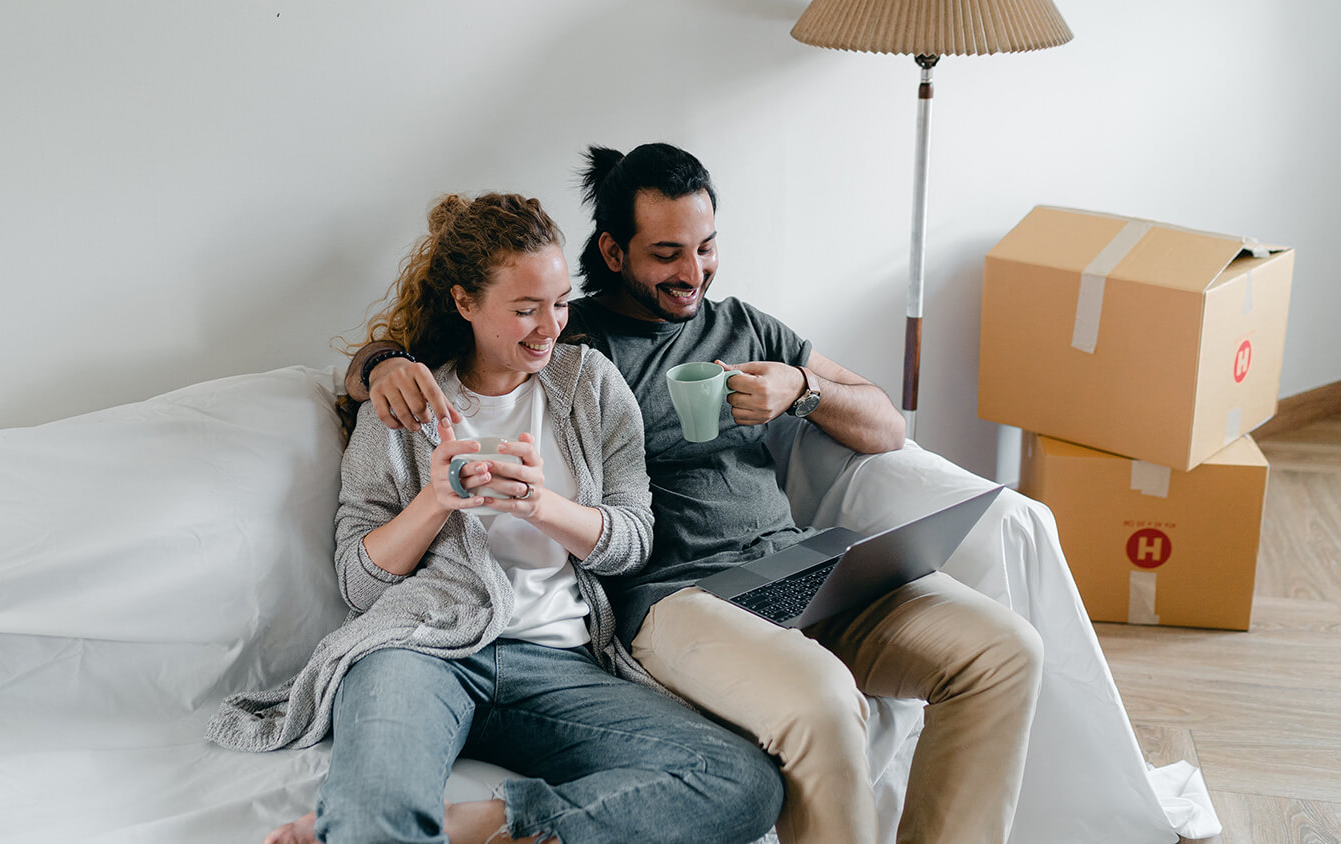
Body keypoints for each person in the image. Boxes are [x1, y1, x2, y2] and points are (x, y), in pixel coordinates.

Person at [347, 145, 1045, 844]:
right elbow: (433, 352)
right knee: (822, 701)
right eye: (666, 254)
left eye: (706, 248)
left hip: (796, 566)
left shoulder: (745, 326)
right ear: (615, 253)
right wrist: (382, 365)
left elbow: (886, 424)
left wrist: (803, 391)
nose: (692, 273)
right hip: (679, 597)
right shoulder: (575, 344)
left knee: (1005, 650)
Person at [207, 191, 783, 844]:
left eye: (560, 303)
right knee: (372, 822)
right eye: (526, 309)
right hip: (420, 652)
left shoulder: (591, 385)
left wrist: (542, 505)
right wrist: (435, 503)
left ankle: (478, 826)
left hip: (560, 663)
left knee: (740, 779)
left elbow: (633, 542)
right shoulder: (401, 405)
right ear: (466, 304)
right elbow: (360, 584)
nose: (549, 327)